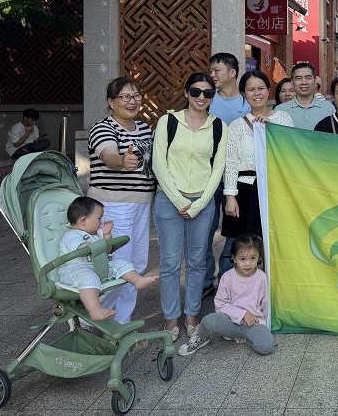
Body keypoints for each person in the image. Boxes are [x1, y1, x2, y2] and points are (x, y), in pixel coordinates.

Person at [152, 73, 228, 342]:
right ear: (186, 92)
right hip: (168, 200)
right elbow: (158, 163)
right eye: (196, 91)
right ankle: (171, 318)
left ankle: (192, 315)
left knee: (197, 261)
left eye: (208, 93)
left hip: (203, 203)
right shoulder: (168, 121)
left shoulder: (218, 126)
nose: (201, 97)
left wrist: (199, 204)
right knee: (170, 262)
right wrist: (179, 201)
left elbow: (218, 167)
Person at [87, 77, 157, 323]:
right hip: (114, 206)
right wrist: (121, 161)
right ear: (111, 101)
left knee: (137, 264)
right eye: (125, 97)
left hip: (142, 203)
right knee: (119, 264)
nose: (132, 101)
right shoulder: (103, 128)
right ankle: (91, 315)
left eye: (136, 96)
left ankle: (122, 321)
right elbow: (109, 156)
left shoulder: (145, 129)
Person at [222, 71, 293, 278]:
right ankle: (233, 290)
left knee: (274, 244)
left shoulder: (283, 118)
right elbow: (231, 163)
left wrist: (271, 130)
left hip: (274, 190)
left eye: (261, 88)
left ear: (269, 90)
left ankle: (271, 289)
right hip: (244, 191)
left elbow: (290, 153)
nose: (257, 93)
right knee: (239, 246)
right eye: (251, 89)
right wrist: (230, 196)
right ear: (243, 93)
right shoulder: (236, 126)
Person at [58, 196, 158, 321]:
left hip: (97, 266)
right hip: (76, 270)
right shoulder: (72, 235)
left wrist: (107, 236)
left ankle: (137, 280)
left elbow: (107, 251)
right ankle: (95, 310)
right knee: (88, 279)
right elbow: (82, 250)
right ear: (83, 220)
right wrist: (96, 244)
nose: (101, 222)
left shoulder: (95, 235)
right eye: (99, 218)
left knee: (121, 264)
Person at [177, 234, 274, 357]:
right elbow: (220, 305)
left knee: (267, 346)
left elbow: (266, 304)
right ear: (234, 258)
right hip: (230, 321)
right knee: (208, 321)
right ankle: (201, 338)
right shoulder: (227, 277)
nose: (248, 264)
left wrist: (264, 327)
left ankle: (243, 338)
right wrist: (243, 314)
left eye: (253, 258)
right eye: (242, 259)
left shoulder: (262, 277)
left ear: (259, 258)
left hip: (253, 324)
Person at [204, 53, 251, 297]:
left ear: (232, 73)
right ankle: (205, 281)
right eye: (211, 70)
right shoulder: (206, 100)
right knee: (205, 231)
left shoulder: (248, 102)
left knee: (234, 233)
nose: (212, 75)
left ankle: (228, 280)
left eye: (217, 70)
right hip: (208, 177)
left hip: (239, 180)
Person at [275, 63, 335, 130]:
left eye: (308, 78)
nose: (304, 82)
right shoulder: (280, 110)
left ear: (315, 81)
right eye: (299, 78)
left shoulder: (328, 108)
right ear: (292, 82)